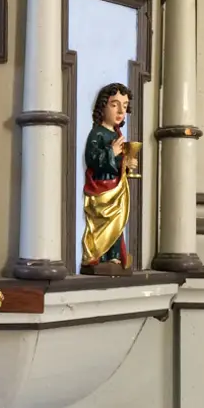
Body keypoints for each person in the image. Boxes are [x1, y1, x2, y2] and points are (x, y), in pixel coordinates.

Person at [81, 82, 137, 274]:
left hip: (116, 187)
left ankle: (114, 256)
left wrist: (127, 164)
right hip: (102, 186)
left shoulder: (117, 133)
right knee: (104, 222)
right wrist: (112, 152)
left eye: (125, 106)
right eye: (114, 105)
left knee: (118, 222)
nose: (121, 111)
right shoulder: (97, 133)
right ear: (102, 107)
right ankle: (99, 255)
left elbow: (118, 162)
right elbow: (92, 158)